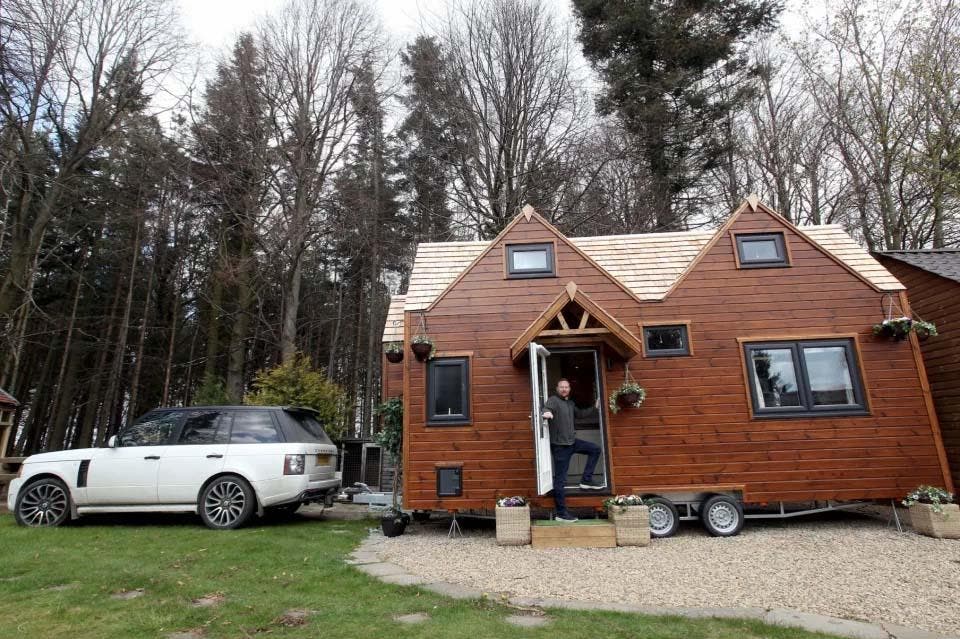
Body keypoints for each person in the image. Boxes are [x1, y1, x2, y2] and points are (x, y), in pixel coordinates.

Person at [541, 378, 602, 523]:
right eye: (561, 387)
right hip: (560, 447)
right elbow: (546, 409)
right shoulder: (553, 401)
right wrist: (546, 414)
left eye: (566, 387)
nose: (564, 389)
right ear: (557, 388)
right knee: (560, 481)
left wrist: (595, 407)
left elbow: (580, 414)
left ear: (569, 389)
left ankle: (586, 480)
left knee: (595, 449)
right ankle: (561, 513)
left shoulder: (570, 403)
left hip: (572, 442)